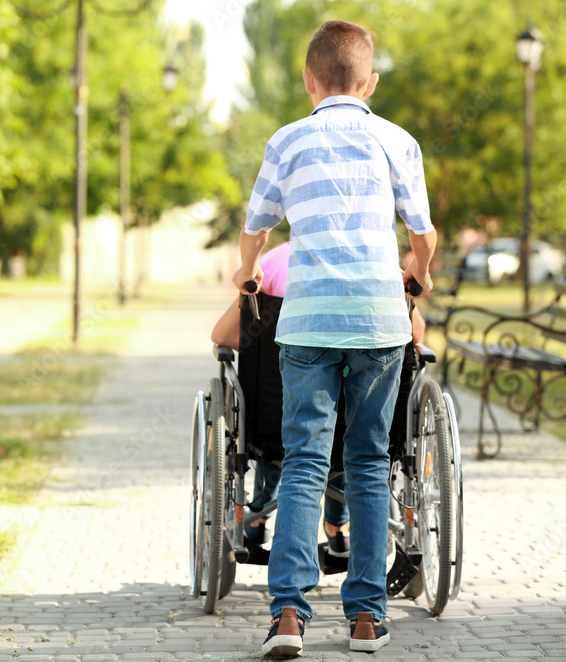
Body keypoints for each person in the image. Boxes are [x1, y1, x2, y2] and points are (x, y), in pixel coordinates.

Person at [232, 20, 437, 656]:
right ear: (370, 82)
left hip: (309, 322)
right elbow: (423, 235)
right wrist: (418, 276)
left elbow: (256, 229)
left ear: (308, 81)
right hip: (378, 321)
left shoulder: (286, 141)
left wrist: (246, 272)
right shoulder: (395, 139)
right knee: (371, 463)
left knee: (303, 463)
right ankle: (367, 618)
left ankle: (289, 616)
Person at [210, 242, 427, 557]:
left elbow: (223, 336)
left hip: (279, 419)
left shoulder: (271, 263)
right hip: (365, 421)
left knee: (284, 434)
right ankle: (338, 525)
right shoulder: (377, 262)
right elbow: (414, 334)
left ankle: (257, 516)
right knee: (356, 435)